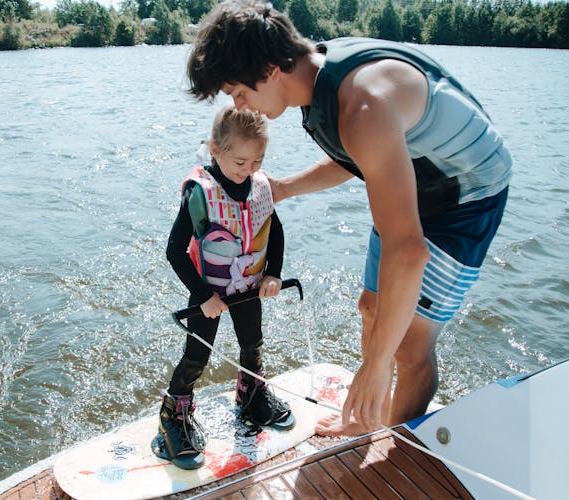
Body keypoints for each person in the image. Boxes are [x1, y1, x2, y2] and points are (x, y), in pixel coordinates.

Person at [186, 1, 512, 437]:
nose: (241, 106)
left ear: (269, 69)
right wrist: (282, 189)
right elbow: (359, 156)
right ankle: (365, 422)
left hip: (464, 198)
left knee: (408, 347)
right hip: (415, 179)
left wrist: (375, 367)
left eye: (238, 92)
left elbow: (409, 250)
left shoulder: (362, 105)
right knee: (371, 307)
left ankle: (395, 453)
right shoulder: (316, 79)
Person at [157, 104, 295, 470]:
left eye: (257, 161)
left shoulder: (261, 186)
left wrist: (273, 273)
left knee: (253, 343)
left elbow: (274, 230)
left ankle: (251, 394)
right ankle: (174, 416)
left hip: (250, 286)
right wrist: (204, 297)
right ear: (216, 151)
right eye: (240, 163)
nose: (249, 171)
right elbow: (174, 251)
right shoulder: (200, 194)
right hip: (209, 293)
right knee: (196, 357)